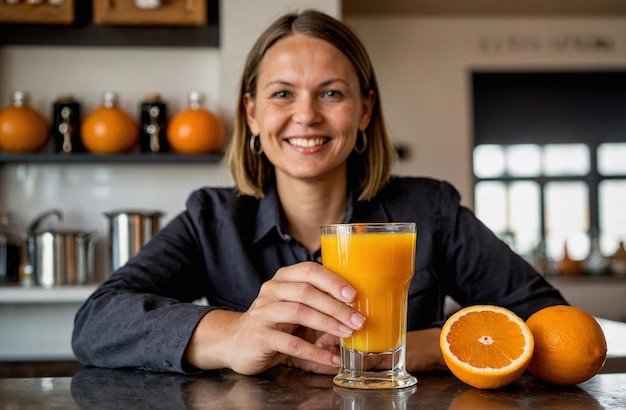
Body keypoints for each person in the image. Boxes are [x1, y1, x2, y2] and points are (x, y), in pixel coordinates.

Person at [71, 9, 567, 376]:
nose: (306, 116)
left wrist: (417, 346)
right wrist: (231, 336)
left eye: (331, 92)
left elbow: (550, 323)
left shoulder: (431, 210)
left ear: (365, 110)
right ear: (252, 113)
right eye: (282, 93)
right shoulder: (212, 218)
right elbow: (96, 322)